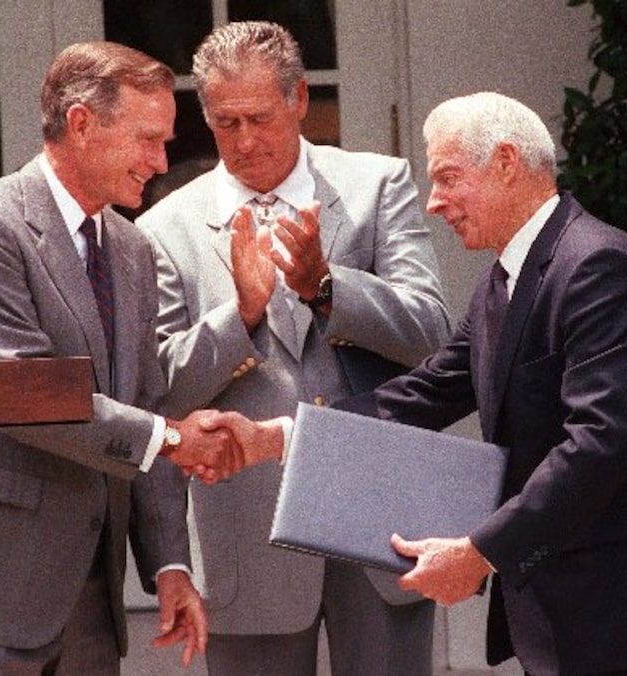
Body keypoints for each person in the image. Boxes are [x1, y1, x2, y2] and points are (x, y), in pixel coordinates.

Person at [215, 91, 627, 675]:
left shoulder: (600, 270)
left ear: (506, 162)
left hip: (619, 615)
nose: (433, 203)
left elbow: (597, 447)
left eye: (448, 178)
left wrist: (478, 554)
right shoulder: (504, 279)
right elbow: (423, 393)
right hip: (559, 616)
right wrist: (280, 436)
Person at [0, 41, 241, 675]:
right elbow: (20, 394)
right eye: (146, 139)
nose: (160, 160)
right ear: (81, 123)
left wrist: (168, 563)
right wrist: (170, 439)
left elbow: (146, 401)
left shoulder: (133, 250)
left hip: (88, 601)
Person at [136, 20, 451, 676]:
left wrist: (328, 288)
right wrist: (241, 316)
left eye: (259, 117)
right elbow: (160, 390)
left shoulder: (377, 187)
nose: (245, 142)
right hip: (249, 537)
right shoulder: (165, 226)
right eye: (226, 124)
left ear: (300, 99)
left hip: (382, 518)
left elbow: (432, 336)